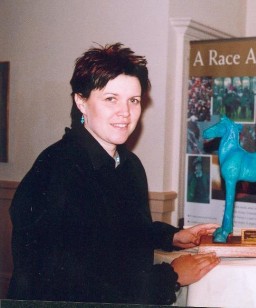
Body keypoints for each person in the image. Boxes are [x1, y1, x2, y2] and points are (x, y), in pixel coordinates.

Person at [8, 43, 220, 305]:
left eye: (134, 100)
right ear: (81, 102)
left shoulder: (129, 164)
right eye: (111, 99)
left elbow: (119, 232)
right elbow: (72, 284)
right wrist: (171, 276)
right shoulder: (57, 169)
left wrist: (171, 236)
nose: (126, 113)